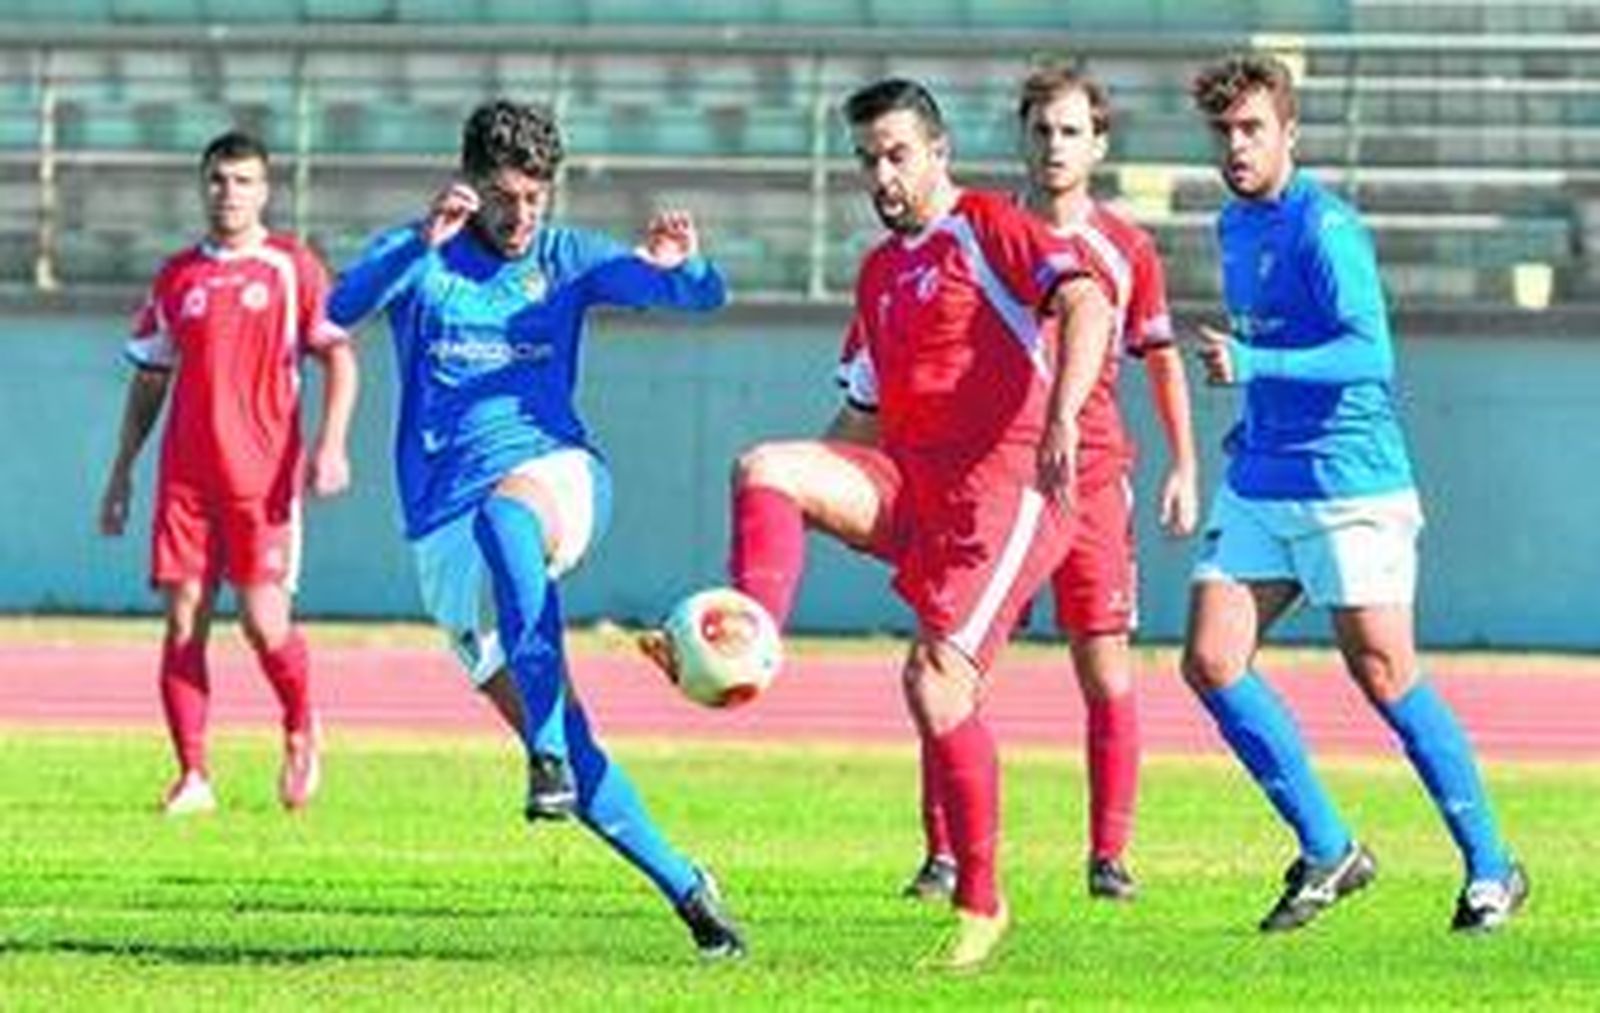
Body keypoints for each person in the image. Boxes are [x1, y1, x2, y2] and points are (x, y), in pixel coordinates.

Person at [642, 78, 1119, 971]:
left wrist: (1063, 413)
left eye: (898, 154)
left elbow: (1087, 303)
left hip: (1009, 487)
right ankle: (751, 639)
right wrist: (798, 505)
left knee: (938, 680)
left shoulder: (988, 226)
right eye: (868, 159)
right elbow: (855, 428)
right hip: (916, 485)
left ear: (939, 152)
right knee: (768, 467)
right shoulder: (879, 272)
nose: (883, 174)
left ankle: (982, 901)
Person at [325, 99, 744, 961]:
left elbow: (697, 297)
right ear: (471, 184)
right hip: (442, 534)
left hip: (556, 477)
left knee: (509, 518)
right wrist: (418, 241)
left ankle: (543, 755)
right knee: (577, 746)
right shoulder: (426, 254)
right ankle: (692, 893)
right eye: (505, 197)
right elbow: (339, 305)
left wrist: (688, 266)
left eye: (536, 198)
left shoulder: (565, 257)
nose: (522, 217)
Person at [1182, 54, 1526, 933]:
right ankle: (1329, 847)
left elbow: (1370, 354)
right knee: (1213, 659)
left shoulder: (1325, 228)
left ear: (1289, 132)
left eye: (1252, 128)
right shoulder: (1231, 226)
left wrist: (1255, 365)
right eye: (1224, 131)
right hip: (1263, 476)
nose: (1236, 145)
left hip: (1349, 483)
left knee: (1382, 671)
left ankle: (1493, 867)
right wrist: (1252, 414)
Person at [903, 65, 1199, 906]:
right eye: (1041, 129)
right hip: (998, 476)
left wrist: (1183, 462)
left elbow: (1160, 356)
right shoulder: (985, 228)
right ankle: (946, 853)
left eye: (1071, 130)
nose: (1054, 145)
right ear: (1020, 137)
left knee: (1105, 669)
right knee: (953, 665)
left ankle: (1109, 856)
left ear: (1099, 143)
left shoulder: (1126, 247)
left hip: (1095, 479)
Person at [98, 130, 357, 816]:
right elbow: (150, 379)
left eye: (243, 181)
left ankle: (301, 725)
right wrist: (122, 471)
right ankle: (193, 776)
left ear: (265, 190)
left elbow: (340, 357)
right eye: (218, 180)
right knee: (183, 621)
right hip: (185, 478)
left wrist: (331, 445)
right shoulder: (178, 275)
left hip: (262, 479)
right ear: (202, 185)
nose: (229, 194)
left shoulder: (291, 267)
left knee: (263, 624)